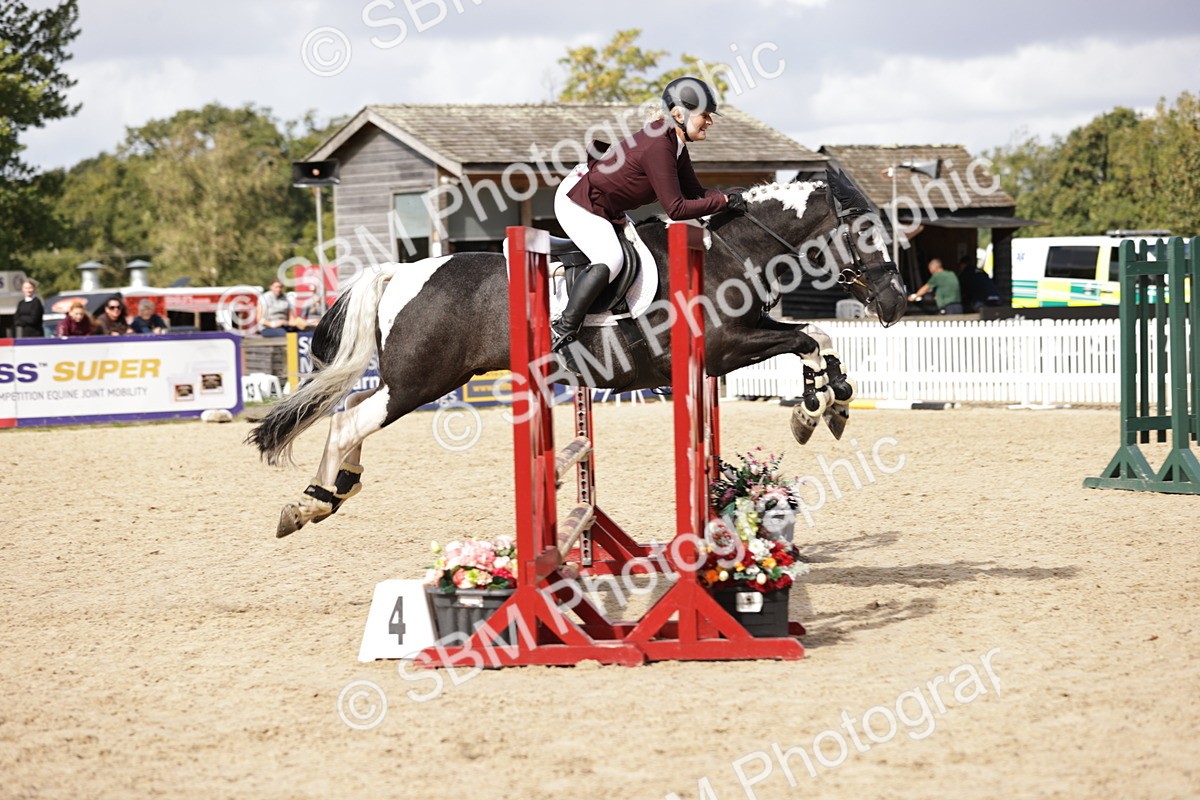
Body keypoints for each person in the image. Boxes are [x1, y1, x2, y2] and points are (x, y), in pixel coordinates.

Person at [551, 76, 741, 353]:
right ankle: (564, 328)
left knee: (643, 257)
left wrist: (737, 197)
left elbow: (696, 194)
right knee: (611, 258)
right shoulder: (659, 145)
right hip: (580, 201)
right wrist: (723, 202)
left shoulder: (675, 144)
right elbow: (676, 209)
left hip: (607, 206)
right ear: (679, 114)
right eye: (705, 115)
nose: (710, 121)